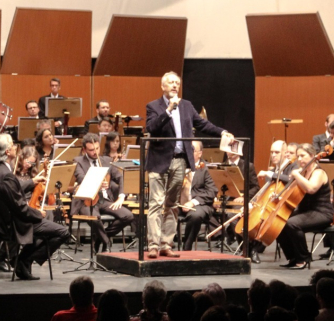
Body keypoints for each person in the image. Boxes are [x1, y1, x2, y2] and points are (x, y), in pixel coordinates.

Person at [145, 71, 232, 259]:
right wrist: (168, 110)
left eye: (177, 82)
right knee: (156, 203)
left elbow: (202, 124)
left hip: (179, 160)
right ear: (163, 86)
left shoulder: (187, 106)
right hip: (159, 161)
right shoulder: (154, 106)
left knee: (172, 204)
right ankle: (152, 245)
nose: (175, 85)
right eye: (171, 83)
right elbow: (151, 128)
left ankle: (165, 244)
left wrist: (222, 132)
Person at [0, 134, 71, 280]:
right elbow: (20, 208)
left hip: (3, 223)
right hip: (17, 224)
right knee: (62, 232)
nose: (14, 147)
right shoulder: (6, 175)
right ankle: (23, 260)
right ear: (7, 152)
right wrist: (38, 214)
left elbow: (10, 192)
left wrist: (32, 181)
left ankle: (22, 261)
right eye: (12, 145)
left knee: (43, 234)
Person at [71, 133, 133, 253]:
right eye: (91, 150)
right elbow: (81, 179)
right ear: (84, 150)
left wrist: (121, 197)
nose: (95, 152)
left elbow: (120, 177)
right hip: (86, 201)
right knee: (95, 218)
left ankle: (99, 237)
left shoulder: (106, 160)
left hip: (104, 200)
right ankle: (106, 241)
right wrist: (98, 182)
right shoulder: (78, 161)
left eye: (97, 148)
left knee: (128, 216)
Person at [276, 143, 334, 270]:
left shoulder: (318, 172)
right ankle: (293, 257)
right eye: (298, 156)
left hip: (322, 213)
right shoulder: (303, 172)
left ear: (312, 156)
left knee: (292, 223)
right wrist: (279, 197)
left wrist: (297, 176)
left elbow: (311, 189)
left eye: (303, 155)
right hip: (307, 212)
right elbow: (292, 192)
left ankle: (303, 258)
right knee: (278, 223)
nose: (299, 159)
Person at [179, 141, 218, 250]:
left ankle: (186, 248)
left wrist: (192, 202)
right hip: (180, 203)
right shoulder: (180, 165)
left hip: (200, 204)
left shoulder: (207, 169)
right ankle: (163, 245)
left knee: (195, 216)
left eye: (192, 150)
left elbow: (211, 192)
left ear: (200, 154)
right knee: (161, 211)